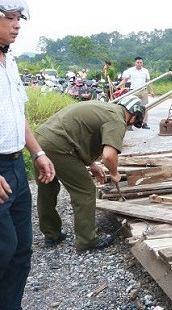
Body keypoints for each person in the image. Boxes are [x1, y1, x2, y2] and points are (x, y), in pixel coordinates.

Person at [0, 0, 56, 309]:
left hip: (16, 168)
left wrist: (37, 153)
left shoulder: (11, 64)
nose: (16, 25)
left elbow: (17, 117)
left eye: (19, 18)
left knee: (21, 248)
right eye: (9, 17)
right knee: (3, 248)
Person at [35, 97, 146, 253]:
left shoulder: (105, 109)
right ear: (134, 116)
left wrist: (92, 164)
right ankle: (87, 241)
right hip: (58, 147)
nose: (131, 125)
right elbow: (108, 155)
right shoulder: (117, 120)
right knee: (86, 191)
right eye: (133, 122)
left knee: (47, 188)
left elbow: (78, 135)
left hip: (40, 141)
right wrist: (114, 173)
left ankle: (51, 234)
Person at [118, 56, 154, 129]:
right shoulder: (130, 70)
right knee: (132, 108)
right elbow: (125, 80)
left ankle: (144, 123)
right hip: (133, 91)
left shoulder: (145, 71)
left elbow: (148, 82)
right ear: (135, 63)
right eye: (138, 62)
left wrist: (151, 91)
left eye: (141, 62)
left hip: (143, 91)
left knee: (145, 107)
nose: (139, 64)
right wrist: (118, 86)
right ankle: (130, 124)